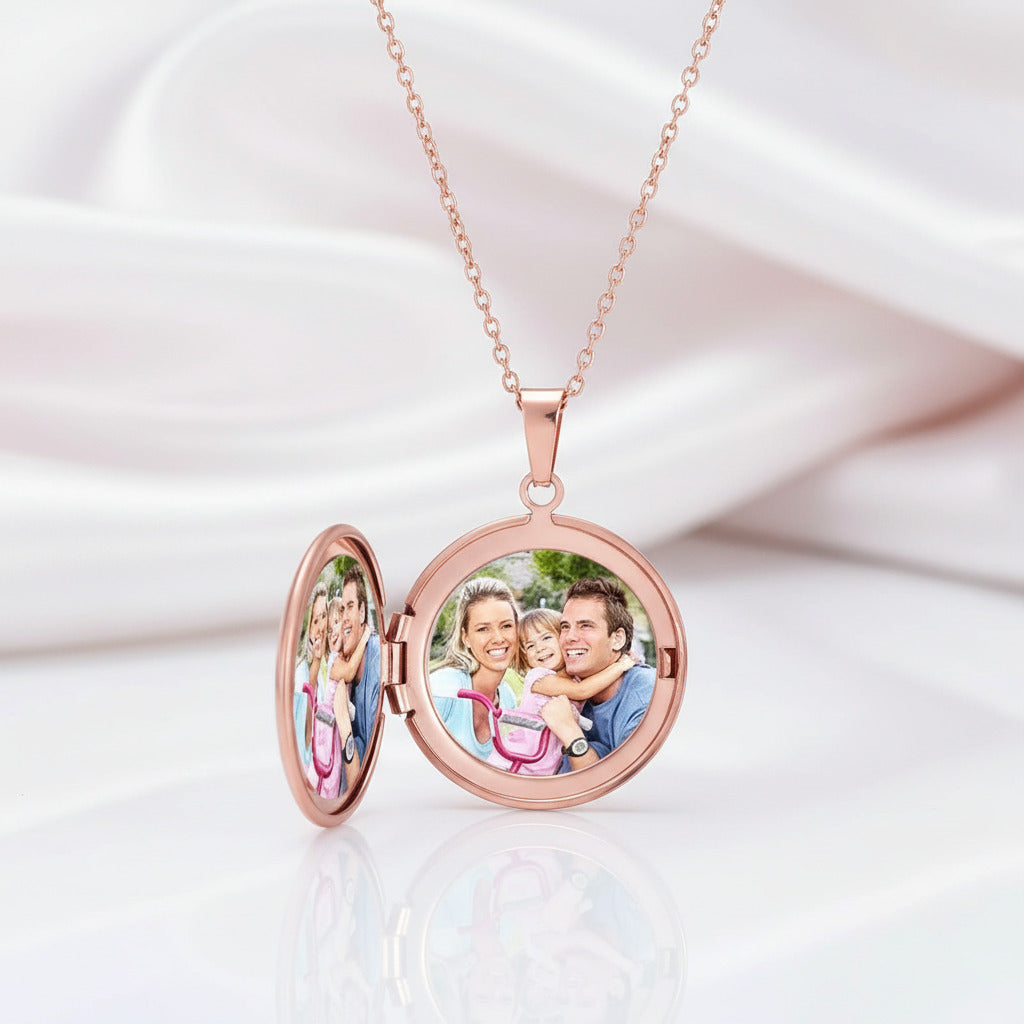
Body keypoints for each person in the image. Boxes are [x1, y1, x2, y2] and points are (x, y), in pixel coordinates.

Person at [487, 608, 634, 775]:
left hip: (544, 766)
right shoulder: (539, 678)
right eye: (530, 646)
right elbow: (581, 691)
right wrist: (621, 665)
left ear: (564, 640)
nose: (539, 648)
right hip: (515, 761)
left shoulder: (576, 678)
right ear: (525, 655)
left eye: (546, 638)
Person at [539, 578, 655, 773]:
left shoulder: (646, 698)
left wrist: (570, 732)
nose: (569, 637)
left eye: (585, 625)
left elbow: (629, 784)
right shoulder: (565, 688)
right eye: (565, 627)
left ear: (617, 639)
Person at [430, 577, 520, 759]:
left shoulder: (507, 698)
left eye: (506, 626)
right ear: (466, 637)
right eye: (483, 629)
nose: (498, 638)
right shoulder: (443, 687)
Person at [337, 565, 382, 763]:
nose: (344, 618)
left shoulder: (378, 665)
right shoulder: (343, 663)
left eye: (350, 607)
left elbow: (368, 762)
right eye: (341, 610)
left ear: (362, 612)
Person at [294, 582, 328, 772]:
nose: (321, 626)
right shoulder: (301, 673)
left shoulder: (323, 663)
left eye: (324, 616)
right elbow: (306, 738)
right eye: (315, 621)